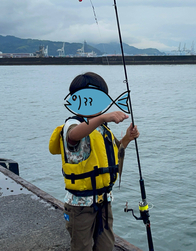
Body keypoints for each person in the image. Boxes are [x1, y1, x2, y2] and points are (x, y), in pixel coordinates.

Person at [49, 72, 139, 251]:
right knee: (82, 246)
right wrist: (103, 117)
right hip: (80, 206)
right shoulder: (72, 125)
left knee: (106, 246)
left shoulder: (103, 129)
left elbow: (115, 152)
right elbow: (73, 136)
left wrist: (127, 139)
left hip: (104, 201)